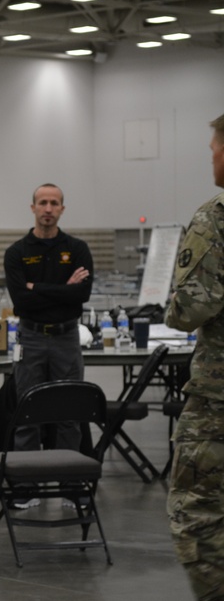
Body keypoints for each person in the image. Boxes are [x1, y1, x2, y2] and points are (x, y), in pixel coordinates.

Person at [3, 183, 93, 509]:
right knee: (28, 412)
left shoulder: (77, 249)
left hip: (67, 338)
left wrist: (37, 287)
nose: (48, 208)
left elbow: (81, 295)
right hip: (31, 338)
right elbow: (21, 300)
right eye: (42, 202)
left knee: (70, 413)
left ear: (62, 209)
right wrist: (62, 288)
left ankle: (71, 484)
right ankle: (26, 486)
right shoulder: (17, 252)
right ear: (33, 208)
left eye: (54, 203)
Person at [166, 112, 224, 601]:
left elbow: (192, 309)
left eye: (214, 148)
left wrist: (174, 304)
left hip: (218, 400)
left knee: (198, 509)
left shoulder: (214, 218)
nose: (211, 157)